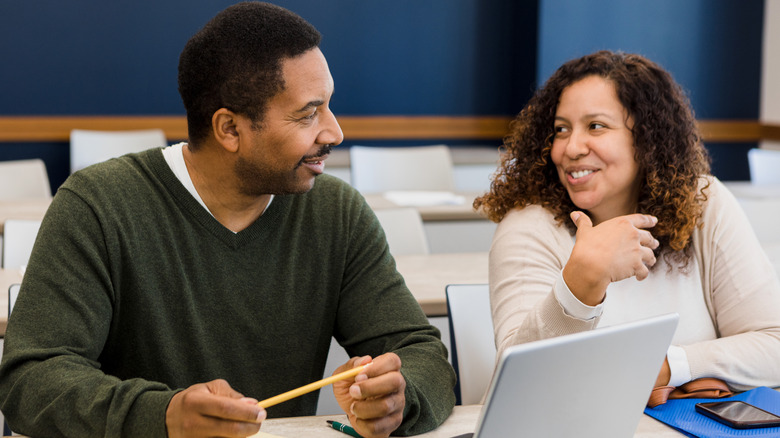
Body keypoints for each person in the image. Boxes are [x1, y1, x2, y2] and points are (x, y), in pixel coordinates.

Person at [0, 3, 455, 437]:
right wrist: (164, 418)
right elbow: (31, 378)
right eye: (308, 113)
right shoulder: (98, 206)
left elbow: (422, 356)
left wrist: (399, 396)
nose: (334, 132)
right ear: (230, 129)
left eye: (329, 105)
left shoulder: (337, 214)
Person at [475, 50, 780, 394]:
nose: (571, 147)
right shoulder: (528, 227)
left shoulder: (705, 203)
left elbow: (774, 344)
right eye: (561, 130)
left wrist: (669, 368)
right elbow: (519, 386)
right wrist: (581, 282)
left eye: (596, 126)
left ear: (647, 138)